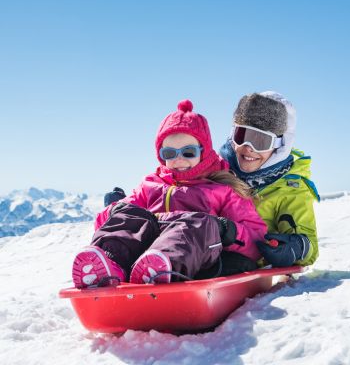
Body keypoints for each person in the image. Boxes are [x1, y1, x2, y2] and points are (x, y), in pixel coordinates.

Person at [72, 99, 267, 288]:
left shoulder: (222, 189)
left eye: (188, 152)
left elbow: (255, 239)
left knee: (200, 223)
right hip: (142, 254)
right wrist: (115, 209)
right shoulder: (150, 185)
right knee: (130, 213)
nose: (178, 160)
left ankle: (161, 269)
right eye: (169, 154)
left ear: (204, 151)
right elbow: (110, 225)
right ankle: (108, 265)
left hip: (195, 260)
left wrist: (227, 230)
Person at [220, 91, 319, 267]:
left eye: (260, 141)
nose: (248, 147)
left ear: (279, 146)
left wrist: (295, 247)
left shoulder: (290, 189)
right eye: (242, 136)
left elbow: (308, 243)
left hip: (245, 263)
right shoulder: (217, 173)